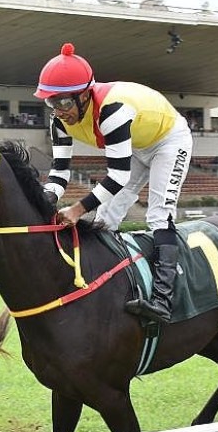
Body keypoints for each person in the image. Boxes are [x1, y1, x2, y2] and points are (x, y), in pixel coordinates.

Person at [34, 42, 193, 323]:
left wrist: (76, 210)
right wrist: (43, 202)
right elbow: (59, 172)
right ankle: (104, 286)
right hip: (138, 144)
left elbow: (118, 176)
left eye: (65, 102)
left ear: (85, 95)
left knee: (159, 214)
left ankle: (163, 300)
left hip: (169, 140)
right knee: (106, 217)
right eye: (52, 102)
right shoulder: (58, 121)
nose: (59, 111)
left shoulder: (111, 110)